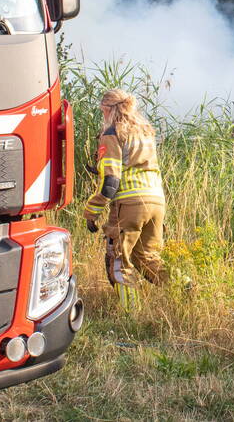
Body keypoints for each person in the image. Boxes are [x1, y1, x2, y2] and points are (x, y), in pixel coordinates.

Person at [84, 89, 167, 309]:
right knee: (147, 257)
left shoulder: (113, 133)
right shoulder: (145, 130)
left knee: (119, 261)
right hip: (156, 200)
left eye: (102, 110)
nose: (102, 114)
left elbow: (111, 181)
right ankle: (185, 290)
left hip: (130, 203)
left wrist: (92, 211)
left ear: (109, 109)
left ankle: (131, 315)